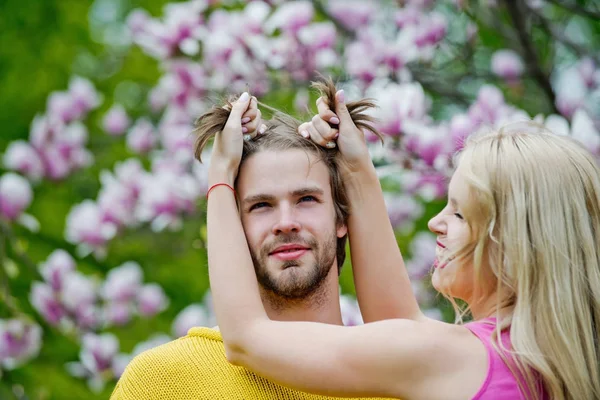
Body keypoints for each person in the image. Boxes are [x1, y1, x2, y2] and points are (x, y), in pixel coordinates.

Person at [207, 83, 600, 400]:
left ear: (517, 239)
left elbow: (245, 338)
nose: (435, 222)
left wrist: (221, 175)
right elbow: (398, 327)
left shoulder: (452, 358)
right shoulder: (560, 362)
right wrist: (356, 169)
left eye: (459, 214)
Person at [109, 88, 396, 400]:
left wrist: (356, 170)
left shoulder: (399, 378)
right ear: (234, 225)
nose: (286, 222)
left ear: (342, 218)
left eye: (306, 199)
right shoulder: (160, 381)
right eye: (261, 205)